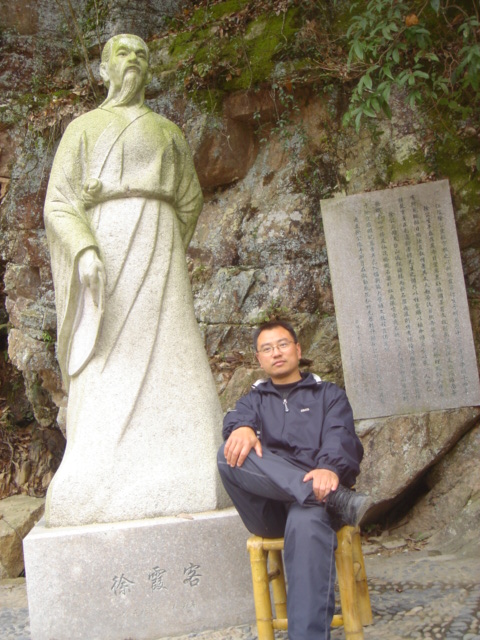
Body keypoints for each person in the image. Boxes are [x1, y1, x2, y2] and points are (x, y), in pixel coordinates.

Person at [44, 34, 225, 527]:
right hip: (104, 250)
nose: (133, 61)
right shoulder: (82, 129)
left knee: (174, 348)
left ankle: (189, 461)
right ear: (103, 69)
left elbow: (189, 201)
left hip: (161, 255)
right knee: (105, 355)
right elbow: (59, 202)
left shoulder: (167, 132)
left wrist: (164, 245)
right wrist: (84, 249)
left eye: (141, 55)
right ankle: (96, 471)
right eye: (122, 54)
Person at [217, 320, 370, 640]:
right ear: (259, 359)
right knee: (227, 455)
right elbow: (236, 419)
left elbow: (340, 436)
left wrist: (328, 467)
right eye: (267, 348)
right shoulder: (253, 400)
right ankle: (327, 496)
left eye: (283, 344)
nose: (276, 353)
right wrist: (241, 427)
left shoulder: (328, 394)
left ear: (298, 350)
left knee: (307, 521)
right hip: (270, 510)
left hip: (312, 506)